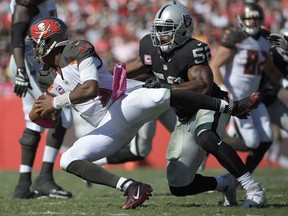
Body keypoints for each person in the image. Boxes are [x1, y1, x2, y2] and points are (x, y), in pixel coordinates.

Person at [26, 16, 260, 209]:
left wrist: (55, 104)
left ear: (50, 41)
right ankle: (131, 187)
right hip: (109, 122)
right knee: (68, 160)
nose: (33, 48)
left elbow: (90, 88)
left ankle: (231, 106)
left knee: (162, 93)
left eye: (36, 42)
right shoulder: (45, 74)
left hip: (124, 100)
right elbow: (45, 112)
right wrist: (44, 114)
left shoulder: (77, 49)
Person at [210, 2, 288, 173]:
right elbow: (214, 65)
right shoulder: (236, 37)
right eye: (249, 18)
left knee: (267, 137)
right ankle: (209, 142)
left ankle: (239, 177)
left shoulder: (265, 39)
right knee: (252, 141)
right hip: (236, 97)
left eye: (256, 18)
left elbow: (267, 67)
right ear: (241, 19)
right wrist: (224, 89)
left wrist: (282, 80)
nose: (252, 22)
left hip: (254, 97)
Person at [9, 0, 72, 199]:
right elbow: (17, 33)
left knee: (33, 121)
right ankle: (44, 178)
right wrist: (21, 70)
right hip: (32, 61)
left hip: (31, 61)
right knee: (61, 113)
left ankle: (23, 184)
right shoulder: (27, 3)